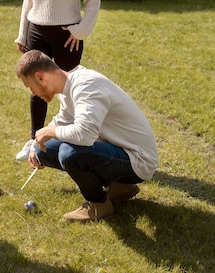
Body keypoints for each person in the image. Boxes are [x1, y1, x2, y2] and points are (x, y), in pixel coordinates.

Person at [16, 50, 158, 222]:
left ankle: (99, 204)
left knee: (70, 153)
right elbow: (63, 121)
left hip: (138, 160)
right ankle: (121, 187)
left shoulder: (86, 85)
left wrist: (48, 131)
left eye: (30, 86)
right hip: (118, 151)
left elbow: (85, 135)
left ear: (40, 77)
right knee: (44, 151)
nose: (32, 92)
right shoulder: (67, 88)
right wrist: (35, 145)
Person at [14, 0, 101, 161]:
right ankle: (34, 140)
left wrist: (81, 29)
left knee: (70, 89)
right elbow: (28, 0)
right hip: (36, 31)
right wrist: (23, 34)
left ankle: (72, 136)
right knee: (37, 88)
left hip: (66, 36)